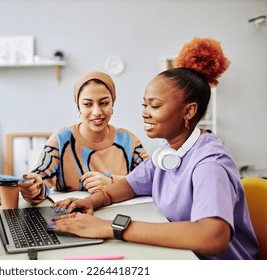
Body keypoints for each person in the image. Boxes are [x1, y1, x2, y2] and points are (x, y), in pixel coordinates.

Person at [49, 37, 259, 260]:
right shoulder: (168, 156)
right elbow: (128, 186)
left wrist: (110, 227)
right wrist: (89, 202)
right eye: (144, 104)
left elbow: (213, 238)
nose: (144, 112)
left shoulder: (210, 163)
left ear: (188, 112)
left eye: (155, 105)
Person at [19, 71, 149, 204]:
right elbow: (40, 179)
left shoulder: (128, 140)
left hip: (117, 218)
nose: (97, 112)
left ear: (112, 104)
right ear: (78, 107)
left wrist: (112, 182)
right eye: (87, 104)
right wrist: (33, 188)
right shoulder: (61, 139)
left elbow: (156, 180)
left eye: (104, 103)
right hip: (70, 217)